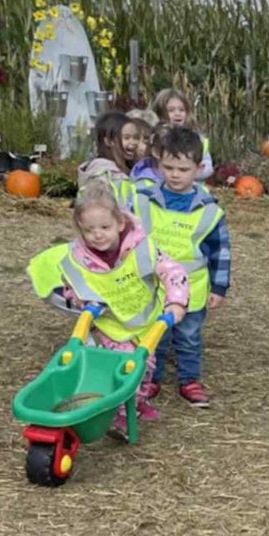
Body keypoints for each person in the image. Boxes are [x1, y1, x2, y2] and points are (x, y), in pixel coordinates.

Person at [31, 181, 188, 435]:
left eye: (105, 227)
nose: (98, 235)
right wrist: (85, 302)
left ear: (120, 223)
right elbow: (73, 287)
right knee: (125, 368)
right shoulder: (79, 260)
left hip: (146, 323)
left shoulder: (142, 249)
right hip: (111, 326)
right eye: (89, 230)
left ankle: (138, 402)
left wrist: (176, 302)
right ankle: (122, 416)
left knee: (146, 366)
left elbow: (173, 272)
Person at [134, 126, 231, 408]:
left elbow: (220, 250)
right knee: (155, 335)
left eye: (184, 169)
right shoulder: (143, 200)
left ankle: (189, 380)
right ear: (159, 164)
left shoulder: (209, 211)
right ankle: (151, 378)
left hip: (192, 289)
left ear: (199, 169)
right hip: (154, 285)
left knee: (188, 337)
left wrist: (219, 287)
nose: (175, 175)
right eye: (169, 167)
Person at [77, 110, 147, 210]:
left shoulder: (134, 170)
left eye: (135, 137)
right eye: (126, 138)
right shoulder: (101, 177)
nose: (133, 142)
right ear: (109, 141)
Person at [153, 87, 214, 181]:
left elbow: (207, 167)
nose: (177, 114)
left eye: (182, 110)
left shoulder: (199, 139)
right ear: (160, 113)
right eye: (171, 110)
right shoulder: (156, 139)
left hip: (192, 187)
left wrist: (187, 173)